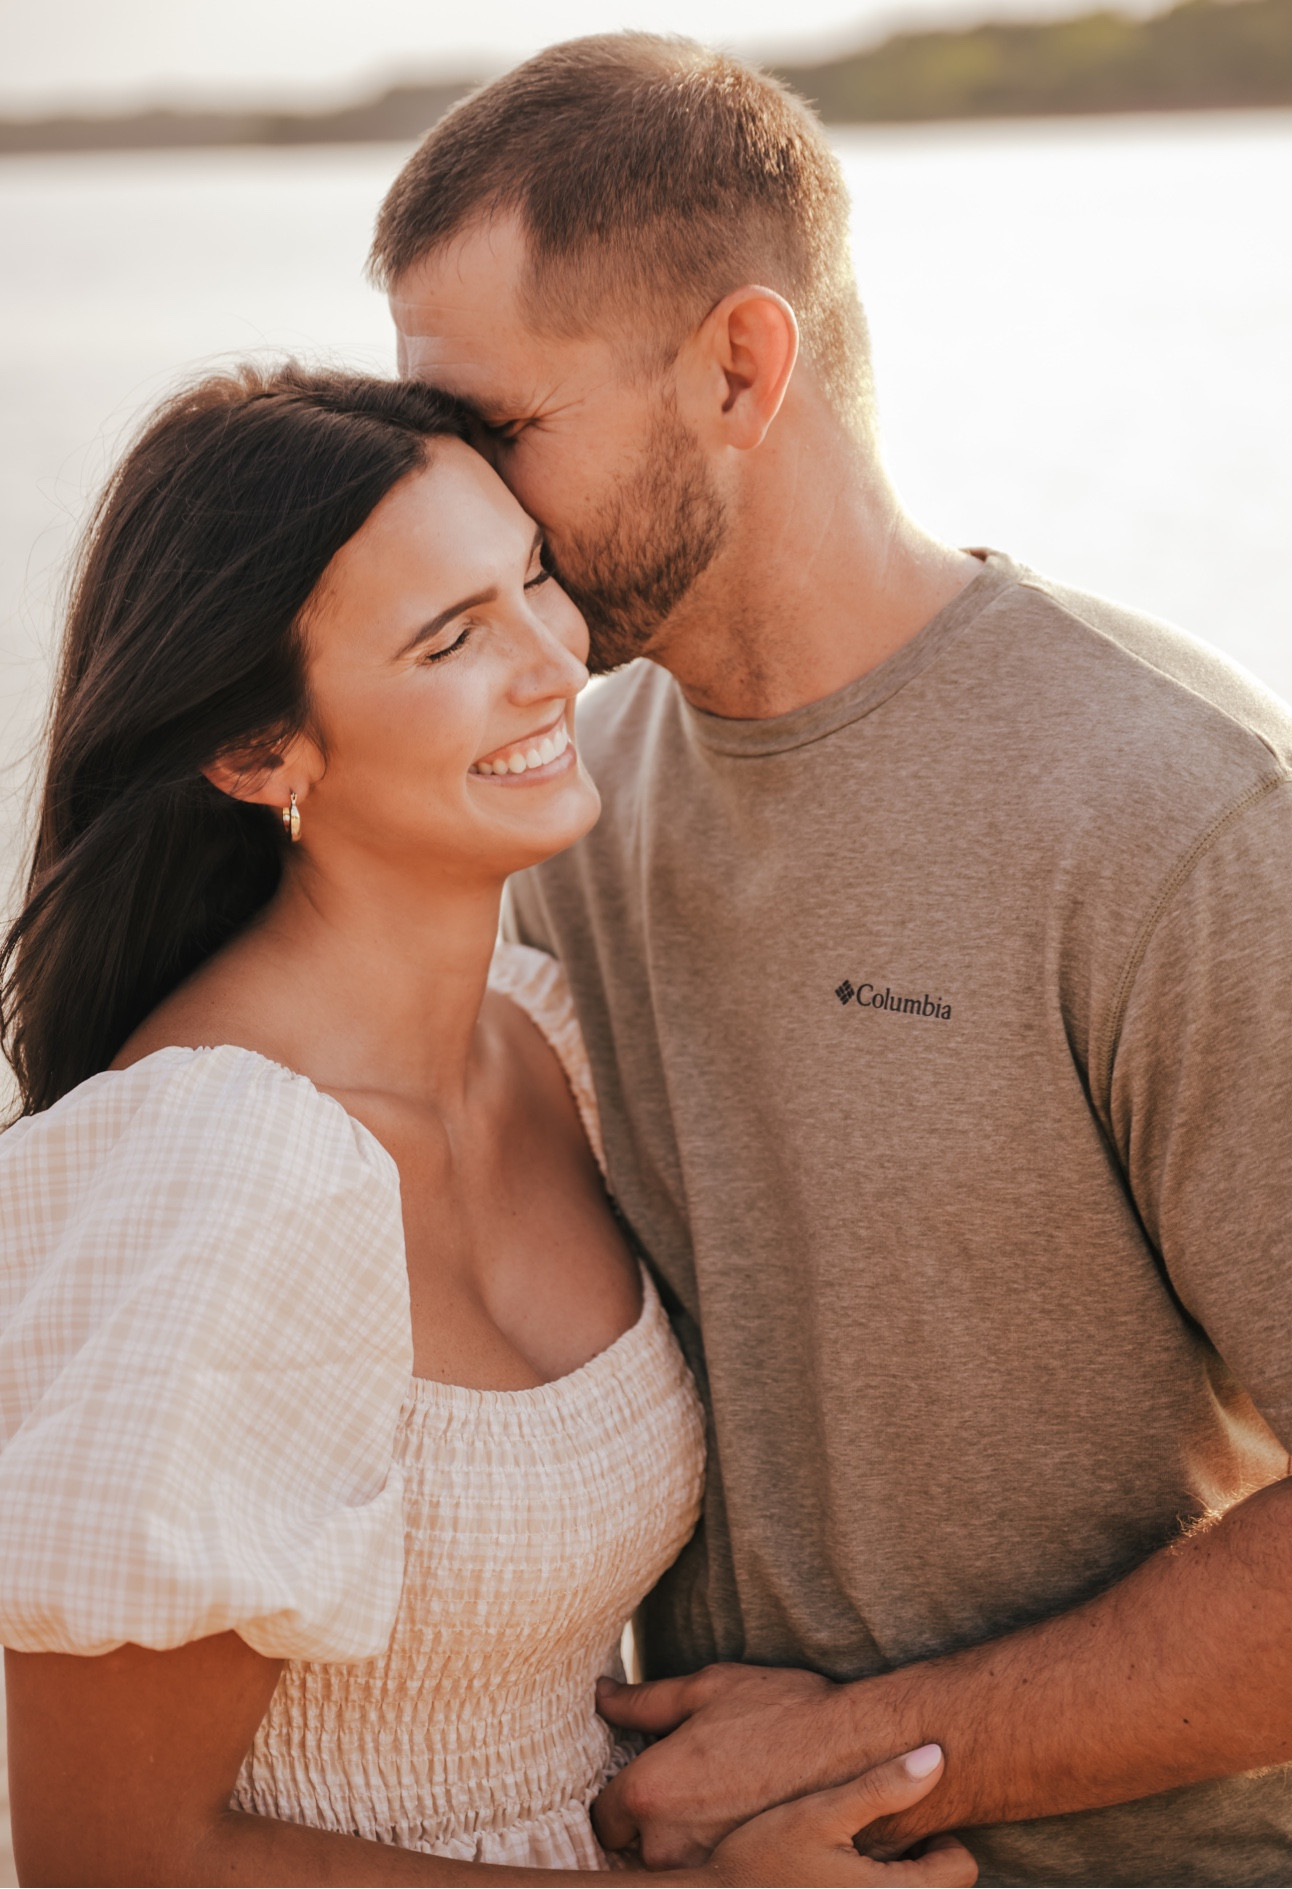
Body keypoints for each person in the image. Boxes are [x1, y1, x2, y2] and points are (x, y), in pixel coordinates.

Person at [373, 33, 1292, 1887]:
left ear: (744, 367)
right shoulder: (556, 812)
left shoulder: (1185, 822)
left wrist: (871, 1753)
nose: (462, 514)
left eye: (496, 431)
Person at [0, 364, 978, 1888]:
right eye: (453, 637)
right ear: (262, 753)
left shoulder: (548, 1038)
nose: (557, 665)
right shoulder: (228, 1168)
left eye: (531, 579)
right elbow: (111, 1857)